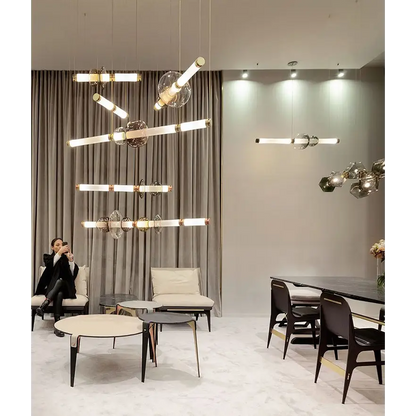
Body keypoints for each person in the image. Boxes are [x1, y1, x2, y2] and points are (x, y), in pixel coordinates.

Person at [34, 237, 79, 337]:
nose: (60, 247)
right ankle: (57, 327)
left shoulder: (65, 258)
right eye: (57, 245)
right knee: (59, 293)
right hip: (53, 289)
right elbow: (50, 267)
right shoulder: (48, 258)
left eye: (61, 245)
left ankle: (44, 305)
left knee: (61, 281)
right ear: (52, 247)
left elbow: (72, 275)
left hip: (67, 288)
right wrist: (59, 254)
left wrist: (70, 261)